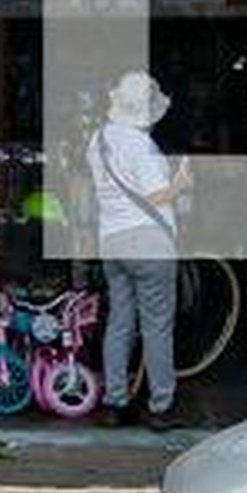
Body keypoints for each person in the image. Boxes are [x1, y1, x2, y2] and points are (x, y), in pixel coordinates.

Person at [90, 70, 181, 430]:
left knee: (120, 322)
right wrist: (183, 183)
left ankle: (115, 402)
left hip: (112, 240)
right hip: (148, 240)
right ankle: (161, 405)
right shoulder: (141, 145)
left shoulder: (97, 141)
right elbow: (157, 195)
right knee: (157, 325)